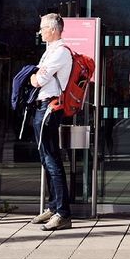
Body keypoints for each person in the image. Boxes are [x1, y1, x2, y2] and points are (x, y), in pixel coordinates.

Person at [30, 13, 73, 231]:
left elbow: (39, 79)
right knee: (46, 158)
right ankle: (54, 205)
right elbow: (38, 76)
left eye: (43, 28)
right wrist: (35, 75)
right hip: (43, 107)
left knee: (51, 158)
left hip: (49, 107)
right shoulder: (51, 51)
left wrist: (34, 76)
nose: (40, 32)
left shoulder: (60, 52)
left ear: (54, 30)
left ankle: (63, 213)